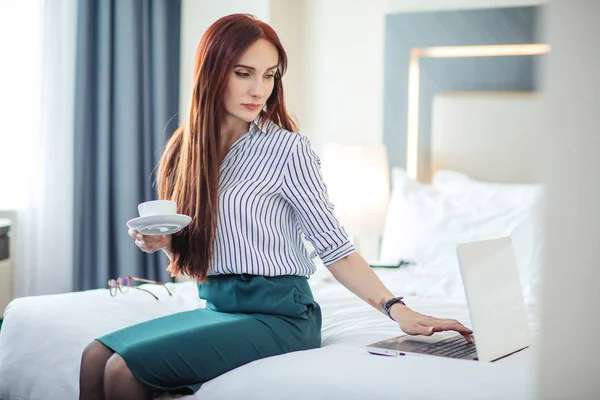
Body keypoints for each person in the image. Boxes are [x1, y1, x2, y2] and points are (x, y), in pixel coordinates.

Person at [78, 13, 473, 400]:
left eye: (269, 75)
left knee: (122, 370)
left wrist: (396, 308)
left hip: (281, 316)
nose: (258, 90)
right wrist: (160, 241)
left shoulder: (287, 150)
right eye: (243, 73)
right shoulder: (186, 149)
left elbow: (335, 248)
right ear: (212, 72)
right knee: (94, 356)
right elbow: (210, 239)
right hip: (219, 305)